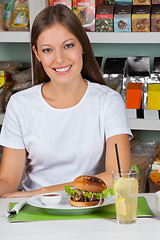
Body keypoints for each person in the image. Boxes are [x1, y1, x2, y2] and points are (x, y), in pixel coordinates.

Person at [0, 4, 132, 198]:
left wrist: (43, 192)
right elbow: (9, 181)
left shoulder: (108, 101)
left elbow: (118, 176)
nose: (59, 59)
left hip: (89, 208)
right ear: (37, 54)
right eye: (47, 50)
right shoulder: (20, 104)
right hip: (33, 214)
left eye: (68, 45)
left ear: (82, 46)